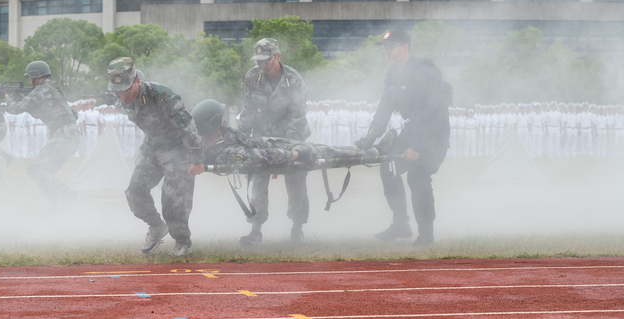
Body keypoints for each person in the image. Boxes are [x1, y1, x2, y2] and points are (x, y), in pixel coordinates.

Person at [355, 30, 451, 246]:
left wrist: (416, 146)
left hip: (435, 132)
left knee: (417, 176)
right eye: (384, 48)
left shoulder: (424, 70)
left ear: (405, 47)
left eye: (390, 47)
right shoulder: (392, 74)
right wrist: (367, 139)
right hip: (414, 128)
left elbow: (430, 110)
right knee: (388, 167)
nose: (385, 51)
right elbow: (384, 108)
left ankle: (426, 235)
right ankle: (401, 224)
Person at [109, 57, 203, 257]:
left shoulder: (163, 96)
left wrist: (196, 159)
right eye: (118, 91)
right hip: (152, 148)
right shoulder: (121, 101)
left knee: (172, 203)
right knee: (134, 192)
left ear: (137, 82)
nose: (122, 95)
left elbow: (189, 127)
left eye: (127, 89)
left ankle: (182, 241)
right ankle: (156, 227)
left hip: (179, 151)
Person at [237, 37, 311, 245]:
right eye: (258, 60)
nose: (261, 64)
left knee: (296, 181)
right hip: (263, 135)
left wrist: (284, 154)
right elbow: (248, 110)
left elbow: (297, 117)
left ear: (277, 56)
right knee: (258, 181)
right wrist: (240, 140)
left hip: (292, 135)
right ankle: (256, 229)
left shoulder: (294, 79)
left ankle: (297, 229)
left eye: (266, 60)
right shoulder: (252, 77)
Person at [193, 97, 376, 172]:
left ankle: (358, 148)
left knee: (323, 148)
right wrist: (296, 155)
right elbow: (259, 156)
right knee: (324, 152)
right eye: (221, 118)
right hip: (279, 150)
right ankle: (370, 154)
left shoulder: (221, 137)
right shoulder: (223, 150)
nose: (225, 120)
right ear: (217, 124)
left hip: (274, 144)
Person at [2, 61, 80, 209]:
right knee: (43, 171)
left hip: (63, 136)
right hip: (69, 136)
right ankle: (54, 207)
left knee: (35, 170)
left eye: (29, 78)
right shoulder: (53, 88)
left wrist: (7, 97)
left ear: (35, 77)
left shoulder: (42, 90)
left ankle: (67, 193)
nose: (28, 81)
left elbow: (14, 109)